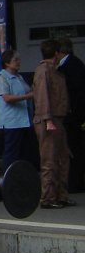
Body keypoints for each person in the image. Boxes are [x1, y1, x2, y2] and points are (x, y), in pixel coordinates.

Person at [34, 39, 72, 208]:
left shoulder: (53, 71)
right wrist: (48, 119)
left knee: (62, 158)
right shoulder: (44, 71)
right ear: (56, 53)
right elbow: (42, 96)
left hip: (57, 119)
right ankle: (48, 198)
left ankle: (61, 195)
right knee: (49, 160)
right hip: (48, 119)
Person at [0, 50, 34, 171]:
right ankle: (8, 178)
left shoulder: (19, 76)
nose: (18, 62)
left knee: (24, 152)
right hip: (12, 121)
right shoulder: (2, 77)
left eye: (18, 59)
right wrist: (29, 96)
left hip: (24, 119)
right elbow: (6, 97)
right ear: (7, 63)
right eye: (15, 60)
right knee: (12, 152)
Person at [57, 38, 84, 192]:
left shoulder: (68, 67)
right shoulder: (76, 63)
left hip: (72, 113)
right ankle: (76, 180)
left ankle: (74, 182)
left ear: (60, 52)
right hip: (76, 113)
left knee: (72, 148)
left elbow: (73, 90)